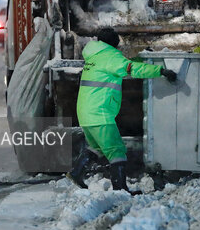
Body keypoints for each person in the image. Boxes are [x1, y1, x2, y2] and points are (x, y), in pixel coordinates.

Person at [67, 27, 177, 194]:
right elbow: (132, 69)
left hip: (86, 112)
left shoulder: (95, 55)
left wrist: (140, 57)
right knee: (116, 150)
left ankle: (76, 172)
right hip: (100, 113)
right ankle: (120, 189)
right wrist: (160, 71)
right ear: (114, 44)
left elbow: (122, 64)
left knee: (96, 147)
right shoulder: (110, 57)